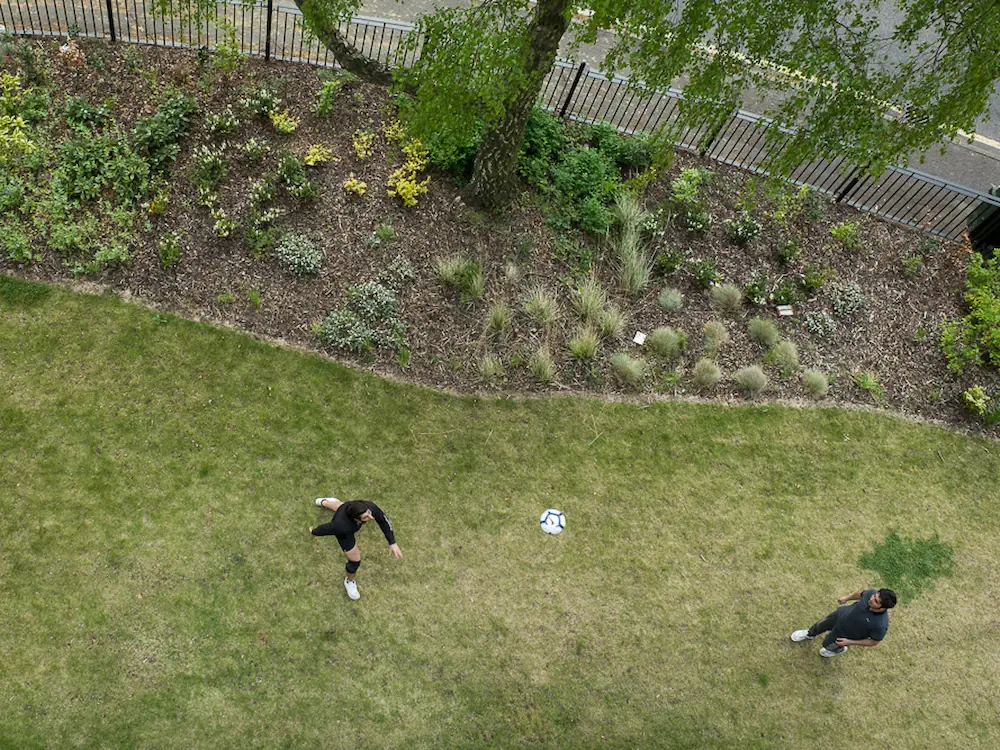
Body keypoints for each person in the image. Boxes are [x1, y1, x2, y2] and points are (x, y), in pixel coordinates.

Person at [309, 497, 402, 600]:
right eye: (366, 517)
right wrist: (314, 531)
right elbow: (325, 529)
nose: (371, 517)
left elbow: (383, 521)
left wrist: (392, 543)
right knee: (355, 560)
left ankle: (325, 502)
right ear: (356, 519)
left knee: (341, 506)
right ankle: (349, 581)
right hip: (345, 534)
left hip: (347, 507)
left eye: (369, 513)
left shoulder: (368, 506)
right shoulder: (340, 526)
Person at [791, 588, 897, 657]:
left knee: (828, 645)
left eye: (876, 601)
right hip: (839, 615)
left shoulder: (880, 625)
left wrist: (849, 642)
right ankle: (810, 634)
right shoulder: (871, 594)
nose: (871, 598)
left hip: (845, 635)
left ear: (882, 608)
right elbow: (860, 594)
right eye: (875, 596)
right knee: (820, 625)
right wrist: (847, 598)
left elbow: (874, 642)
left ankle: (837, 650)